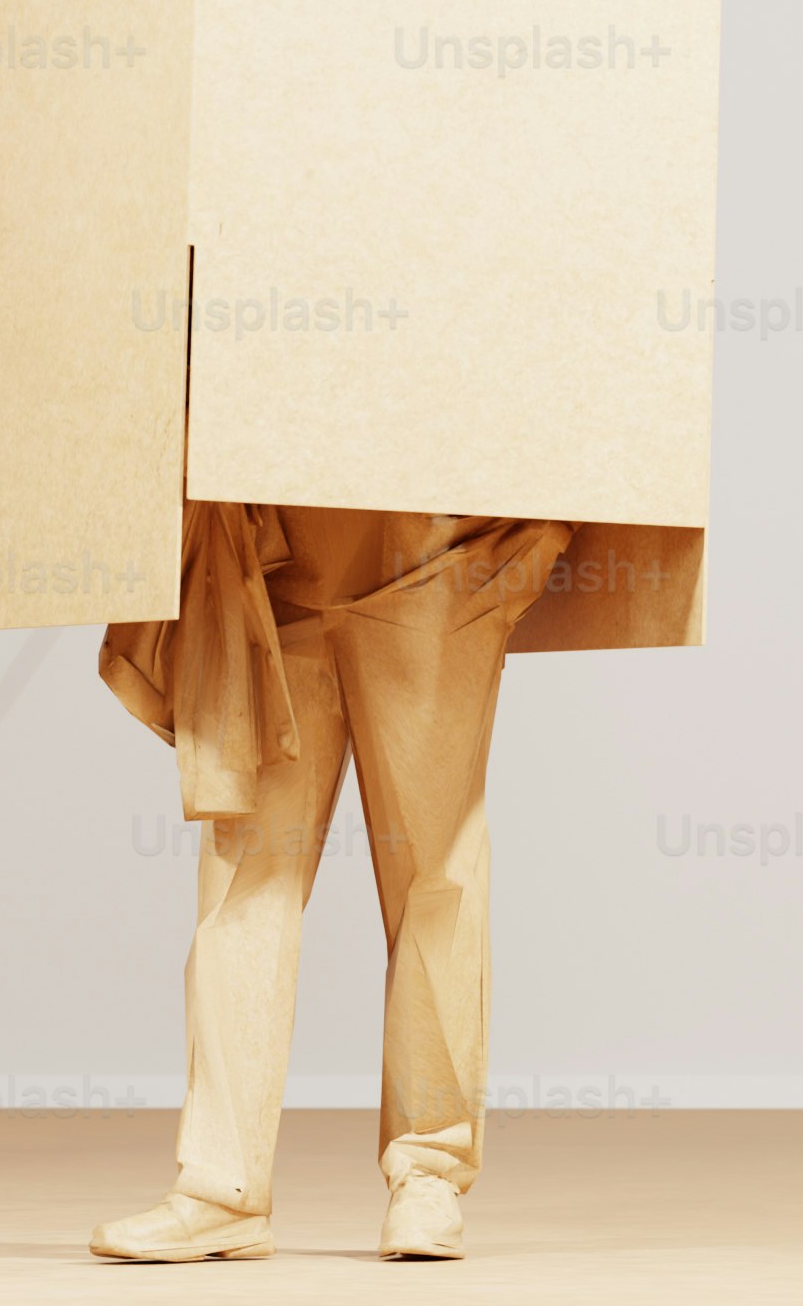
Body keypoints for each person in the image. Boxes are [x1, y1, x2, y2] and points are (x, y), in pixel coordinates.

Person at [79, 502, 571, 1264]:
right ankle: (221, 1185)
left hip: (436, 558)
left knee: (434, 872)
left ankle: (428, 1171)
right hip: (277, 566)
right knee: (246, 877)